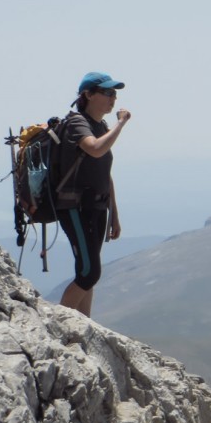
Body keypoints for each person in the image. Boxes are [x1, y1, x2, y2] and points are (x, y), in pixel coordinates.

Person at [57, 72, 132, 316]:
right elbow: (95, 150)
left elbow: (104, 172)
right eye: (108, 93)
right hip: (76, 206)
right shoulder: (77, 123)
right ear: (88, 95)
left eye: (115, 94)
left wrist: (114, 214)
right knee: (90, 272)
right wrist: (121, 124)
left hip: (97, 207)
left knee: (86, 271)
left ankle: (83, 324)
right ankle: (59, 323)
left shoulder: (100, 126)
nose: (113, 98)